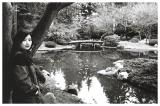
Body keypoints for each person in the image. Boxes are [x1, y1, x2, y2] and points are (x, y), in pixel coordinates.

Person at [10, 31, 46, 103]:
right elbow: (22, 80)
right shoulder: (19, 58)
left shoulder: (25, 55)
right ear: (18, 41)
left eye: (29, 40)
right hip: (25, 96)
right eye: (24, 40)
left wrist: (40, 75)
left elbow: (32, 68)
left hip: (28, 94)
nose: (27, 43)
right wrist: (34, 89)